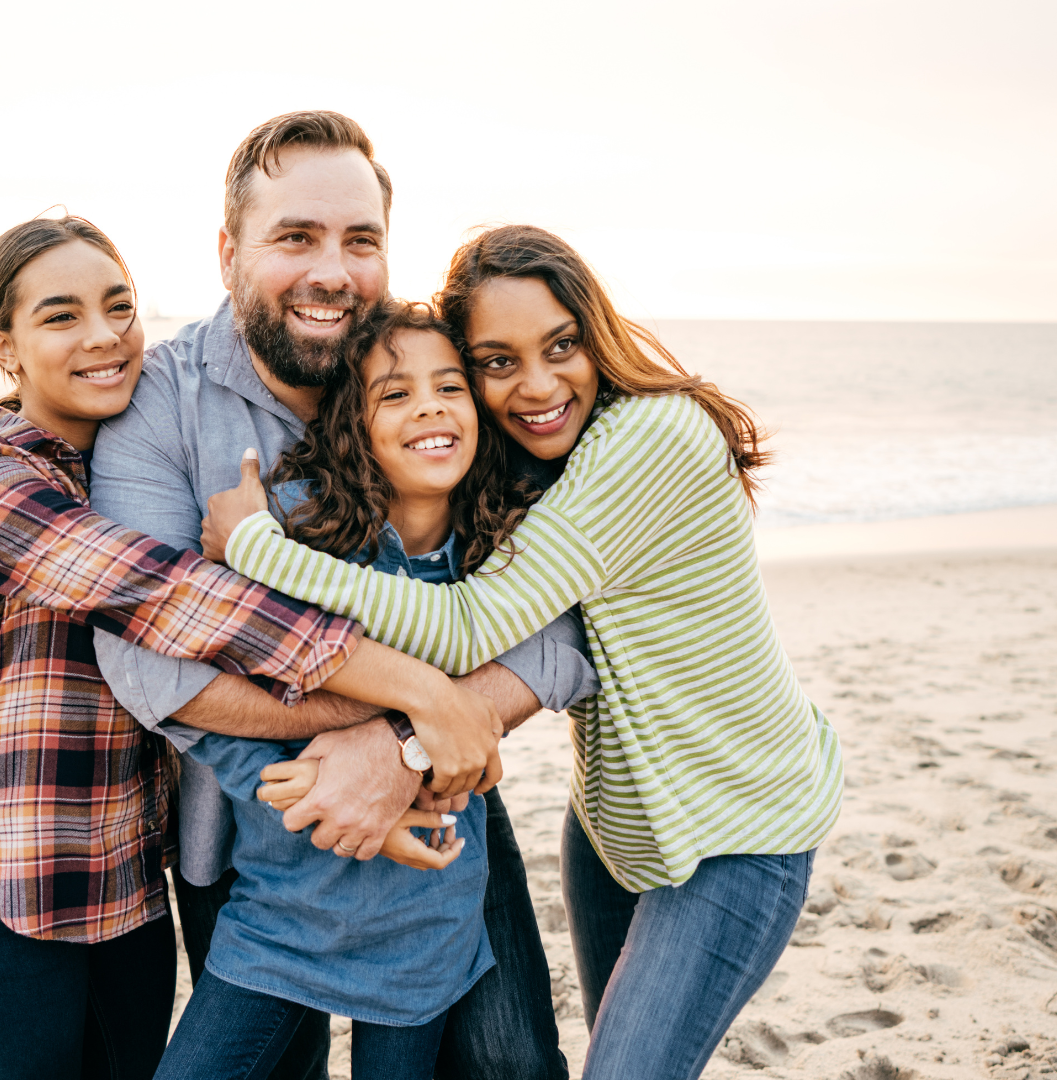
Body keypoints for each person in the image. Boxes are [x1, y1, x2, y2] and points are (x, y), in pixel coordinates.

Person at [204, 224, 845, 1080]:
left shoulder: (648, 439)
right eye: (498, 363)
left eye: (562, 346)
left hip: (740, 830)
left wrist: (257, 546)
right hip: (616, 828)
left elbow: (470, 627)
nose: (538, 385)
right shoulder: (548, 459)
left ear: (597, 335)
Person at [0, 215, 504, 1080]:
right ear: (6, 347)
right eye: (61, 317)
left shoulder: (114, 455)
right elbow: (169, 598)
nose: (105, 336)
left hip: (127, 874)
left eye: (119, 306)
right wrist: (424, 693)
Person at [92, 113, 593, 1080]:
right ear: (230, 249)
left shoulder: (432, 369)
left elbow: (559, 624)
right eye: (296, 237)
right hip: (254, 835)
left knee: (514, 1066)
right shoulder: (163, 400)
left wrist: (402, 747)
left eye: (360, 240)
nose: (333, 270)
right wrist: (418, 697)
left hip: (441, 814)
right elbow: (144, 653)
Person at [158, 301, 584, 1080]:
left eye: (450, 386)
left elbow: (534, 679)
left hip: (428, 913)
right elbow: (210, 697)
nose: (428, 405)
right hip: (282, 912)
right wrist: (300, 792)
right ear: (352, 423)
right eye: (393, 394)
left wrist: (409, 778)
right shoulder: (290, 534)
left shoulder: (504, 561)